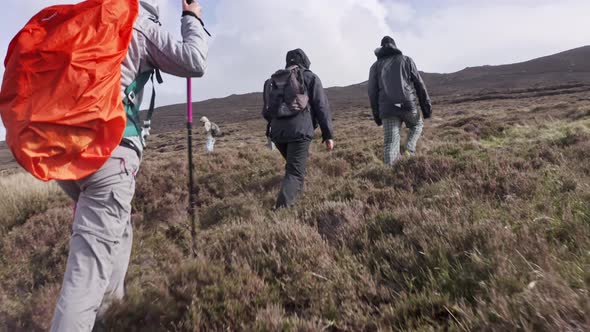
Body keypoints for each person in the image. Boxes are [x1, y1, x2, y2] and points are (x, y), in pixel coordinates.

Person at [50, 0, 208, 331]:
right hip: (109, 151)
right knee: (86, 272)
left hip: (62, 150)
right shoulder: (137, 23)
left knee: (119, 232)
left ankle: (111, 318)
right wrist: (191, 18)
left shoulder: (83, 19)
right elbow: (194, 61)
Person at [263, 49, 334, 209]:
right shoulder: (310, 77)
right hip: (299, 132)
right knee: (295, 173)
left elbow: (267, 111)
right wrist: (328, 135)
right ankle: (280, 213)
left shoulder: (275, 80)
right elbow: (321, 107)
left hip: (278, 133)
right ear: (304, 60)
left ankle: (296, 202)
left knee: (294, 168)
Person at [368, 36, 432, 166]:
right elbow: (419, 84)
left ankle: (390, 175)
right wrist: (426, 109)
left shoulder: (375, 67)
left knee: (390, 143)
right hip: (407, 104)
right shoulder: (406, 60)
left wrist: (377, 116)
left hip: (387, 109)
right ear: (395, 46)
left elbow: (372, 93)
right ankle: (409, 148)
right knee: (417, 125)